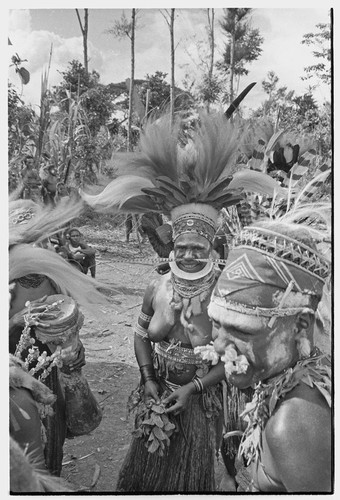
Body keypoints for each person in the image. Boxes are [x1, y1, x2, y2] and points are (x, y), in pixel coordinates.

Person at [80, 111, 282, 492]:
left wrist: (195, 389)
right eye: (182, 247)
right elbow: (141, 335)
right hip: (156, 392)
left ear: (211, 247)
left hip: (201, 403)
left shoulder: (224, 291)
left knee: (195, 477)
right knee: (148, 469)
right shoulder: (156, 287)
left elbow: (236, 358)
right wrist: (148, 378)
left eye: (197, 248)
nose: (188, 254)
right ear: (172, 245)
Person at [208, 211, 332, 493]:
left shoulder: (293, 423)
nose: (218, 346)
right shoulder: (297, 374)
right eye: (216, 324)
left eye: (242, 330)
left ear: (301, 325)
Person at [9, 197, 106, 477]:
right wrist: (15, 321)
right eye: (27, 239)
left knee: (49, 448)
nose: (35, 246)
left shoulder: (54, 275)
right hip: (11, 377)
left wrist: (71, 351)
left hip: (46, 376)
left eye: (39, 238)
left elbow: (70, 324)